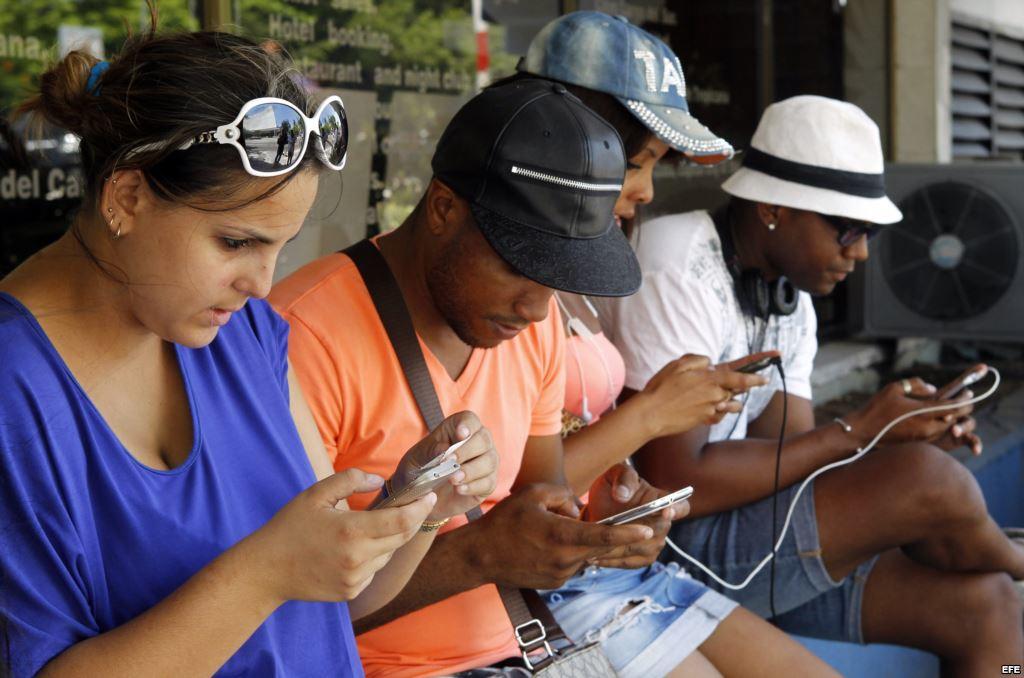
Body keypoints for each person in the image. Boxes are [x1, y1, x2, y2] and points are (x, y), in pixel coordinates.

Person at [272, 77, 835, 677]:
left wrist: (606, 524)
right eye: (523, 267)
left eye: (558, 278)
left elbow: (544, 498)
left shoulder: (525, 323)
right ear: (442, 209)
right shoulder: (300, 339)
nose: (539, 309)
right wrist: (478, 554)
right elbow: (283, 609)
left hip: (535, 638)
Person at [0, 24, 498, 677]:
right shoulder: (16, 390)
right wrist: (262, 573)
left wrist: (417, 508)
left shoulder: (246, 334)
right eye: (236, 243)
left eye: (280, 247)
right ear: (127, 196)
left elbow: (334, 602)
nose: (261, 285)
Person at [597, 95, 1024, 674]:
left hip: (744, 539)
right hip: (667, 546)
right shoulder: (677, 263)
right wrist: (861, 433)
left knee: (990, 606)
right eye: (848, 229)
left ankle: (999, 564)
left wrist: (887, 438)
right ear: (774, 207)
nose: (861, 253)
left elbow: (790, 458)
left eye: (868, 233)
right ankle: (1011, 554)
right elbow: (673, 479)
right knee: (930, 483)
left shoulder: (788, 298)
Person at [512, 12, 828, 677]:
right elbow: (515, 492)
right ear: (558, 141)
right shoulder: (505, 298)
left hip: (599, 567)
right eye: (634, 163)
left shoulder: (579, 279)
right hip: (534, 596)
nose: (647, 190)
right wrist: (651, 414)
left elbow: (568, 460)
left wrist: (619, 497)